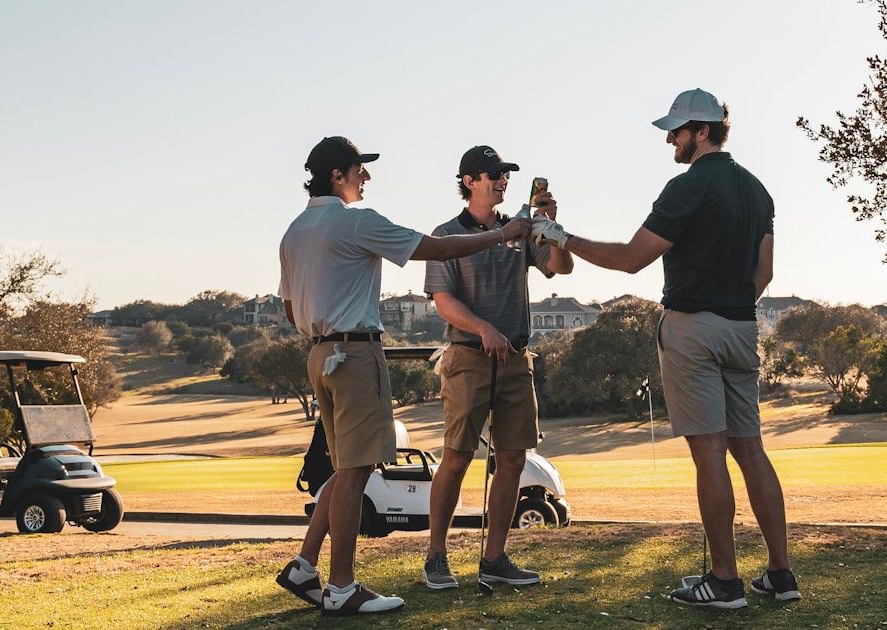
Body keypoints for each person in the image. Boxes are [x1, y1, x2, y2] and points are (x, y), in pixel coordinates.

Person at [531, 89, 801, 609]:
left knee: (709, 454)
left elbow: (633, 258)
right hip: (743, 328)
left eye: (675, 131)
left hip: (692, 329)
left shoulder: (688, 186)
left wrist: (561, 237)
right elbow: (764, 273)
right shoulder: (758, 190)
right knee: (751, 450)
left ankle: (724, 582)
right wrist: (730, 308)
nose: (669, 139)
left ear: (701, 131)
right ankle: (780, 574)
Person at [274, 136, 531, 617]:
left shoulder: (294, 230)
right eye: (358, 169)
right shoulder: (355, 221)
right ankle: (342, 586)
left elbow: (291, 310)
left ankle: (305, 566)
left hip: (318, 354)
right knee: (356, 472)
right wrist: (502, 234)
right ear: (337, 175)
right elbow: (433, 248)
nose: (365, 176)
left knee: (344, 467)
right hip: (355, 354)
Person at [420, 146, 572, 590]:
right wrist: (484, 327)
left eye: (506, 174)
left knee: (512, 459)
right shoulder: (445, 234)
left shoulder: (521, 229)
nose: (503, 180)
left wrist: (553, 229)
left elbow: (560, 269)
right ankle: (436, 557)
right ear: (469, 181)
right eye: (494, 174)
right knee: (457, 456)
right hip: (468, 357)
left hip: (516, 359)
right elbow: (444, 302)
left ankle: (496, 559)